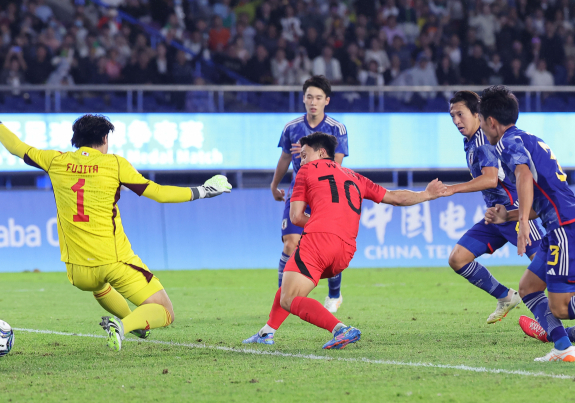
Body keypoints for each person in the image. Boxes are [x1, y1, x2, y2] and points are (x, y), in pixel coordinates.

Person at [0, 87, 232, 352]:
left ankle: (133, 323)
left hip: (78, 273)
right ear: (104, 138)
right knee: (164, 310)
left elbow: (16, 147)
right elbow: (159, 194)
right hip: (113, 260)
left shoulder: (55, 161)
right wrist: (205, 191)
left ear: (76, 140)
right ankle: (124, 326)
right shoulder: (114, 163)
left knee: (99, 285)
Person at [244, 132, 446, 348]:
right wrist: (426, 195)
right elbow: (394, 197)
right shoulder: (355, 177)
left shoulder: (306, 171)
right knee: (291, 286)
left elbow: (295, 216)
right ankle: (267, 332)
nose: (300, 160)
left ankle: (341, 329)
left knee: (289, 297)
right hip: (345, 252)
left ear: (321, 152)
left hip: (319, 242)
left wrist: (319, 221)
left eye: (304, 155)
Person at [481, 85, 575, 362]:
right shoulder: (528, 138)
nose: (483, 131)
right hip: (557, 225)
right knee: (528, 288)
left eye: (483, 123)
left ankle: (563, 345)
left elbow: (522, 175)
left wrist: (521, 222)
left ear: (492, 123)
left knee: (559, 307)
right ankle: (562, 348)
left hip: (564, 226)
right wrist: (508, 216)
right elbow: (538, 198)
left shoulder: (506, 142)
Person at [442, 91, 543, 324]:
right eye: (452, 116)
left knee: (547, 270)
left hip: (514, 212)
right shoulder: (470, 141)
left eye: (460, 114)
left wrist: (452, 189)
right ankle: (505, 296)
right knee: (458, 259)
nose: (456, 121)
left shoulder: (483, 141)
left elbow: (489, 179)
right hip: (495, 216)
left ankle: (550, 326)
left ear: (477, 114)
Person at [271, 76, 348, 313]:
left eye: (318, 98)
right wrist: (274, 185)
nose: (313, 102)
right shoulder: (291, 128)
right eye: (309, 97)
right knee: (291, 243)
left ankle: (334, 293)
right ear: (303, 99)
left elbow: (336, 165)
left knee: (330, 248)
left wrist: (309, 154)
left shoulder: (337, 129)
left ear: (327, 100)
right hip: (298, 192)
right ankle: (283, 296)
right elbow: (285, 157)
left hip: (325, 195)